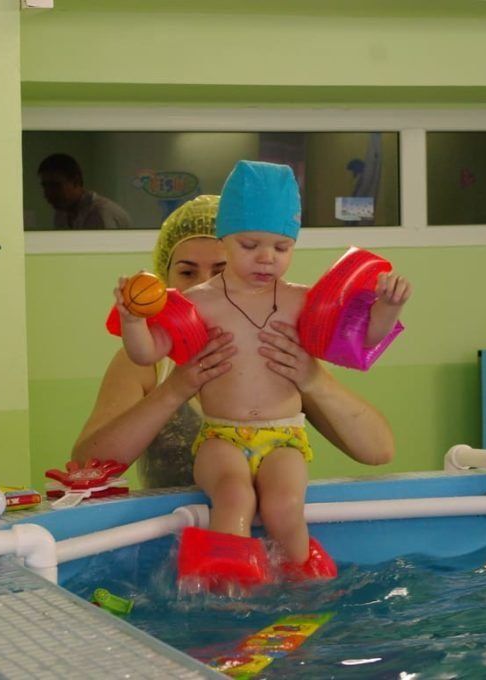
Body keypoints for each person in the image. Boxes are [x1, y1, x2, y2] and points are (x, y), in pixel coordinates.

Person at [115, 161, 411, 579]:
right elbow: (147, 353)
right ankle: (226, 584)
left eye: (281, 247)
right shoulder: (198, 303)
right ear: (224, 238)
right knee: (233, 496)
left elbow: (360, 340)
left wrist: (388, 308)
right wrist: (132, 321)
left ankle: (305, 586)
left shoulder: (302, 301)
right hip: (221, 435)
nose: (266, 258)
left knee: (285, 506)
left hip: (284, 436)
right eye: (250, 245)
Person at [37, 153, 132, 229]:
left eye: (55, 186)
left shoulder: (100, 215)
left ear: (76, 181)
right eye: (45, 186)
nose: (47, 193)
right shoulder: (61, 214)